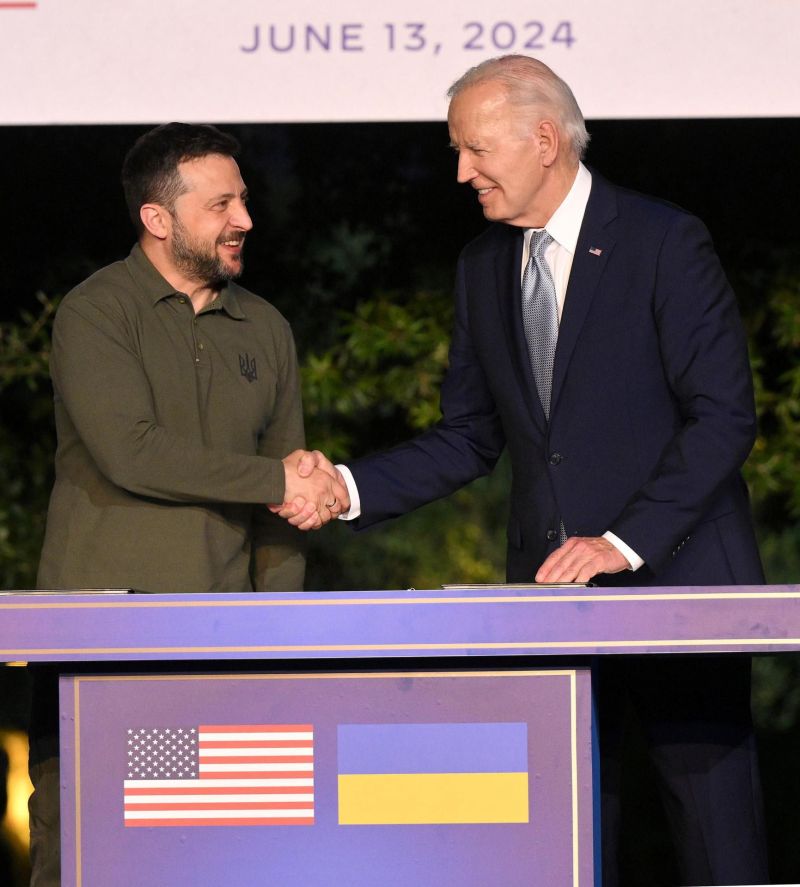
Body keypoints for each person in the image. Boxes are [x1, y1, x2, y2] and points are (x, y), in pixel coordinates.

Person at [276, 56, 769, 885]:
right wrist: (347, 488)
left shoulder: (664, 240)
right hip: (551, 607)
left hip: (680, 591)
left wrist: (622, 541)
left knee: (717, 847)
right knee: (567, 845)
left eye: (474, 149)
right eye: (456, 152)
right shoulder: (480, 267)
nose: (461, 171)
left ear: (545, 139)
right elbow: (470, 436)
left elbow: (724, 416)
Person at [28, 122, 348, 886]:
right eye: (221, 204)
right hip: (104, 645)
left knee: (215, 849)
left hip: (223, 646)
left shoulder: (265, 327)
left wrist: (278, 637)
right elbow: (131, 450)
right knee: (92, 843)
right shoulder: (96, 312)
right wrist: (280, 481)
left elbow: (289, 507)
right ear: (158, 219)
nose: (244, 219)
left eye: (244, 199)